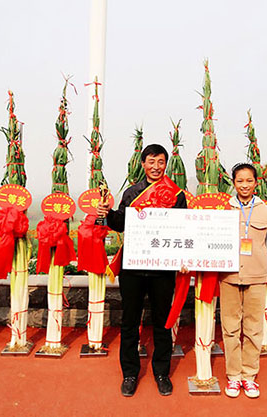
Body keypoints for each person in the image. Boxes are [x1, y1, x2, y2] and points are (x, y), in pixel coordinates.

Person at [96, 144, 187, 397]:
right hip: (133, 267)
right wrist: (108, 214)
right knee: (130, 322)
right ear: (143, 163)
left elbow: (183, 228)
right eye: (151, 161)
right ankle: (129, 374)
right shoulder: (132, 192)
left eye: (160, 162)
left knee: (162, 322)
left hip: (162, 269)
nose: (156, 167)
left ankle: (161, 373)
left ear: (166, 164)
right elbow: (120, 224)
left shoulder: (177, 194)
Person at [219, 163, 267, 398]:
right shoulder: (224, 210)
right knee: (230, 328)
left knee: (254, 328)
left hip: (256, 276)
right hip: (229, 276)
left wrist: (264, 268)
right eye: (240, 181)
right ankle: (234, 377)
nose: (244, 185)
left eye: (249, 180)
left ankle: (249, 376)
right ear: (233, 183)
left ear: (256, 182)